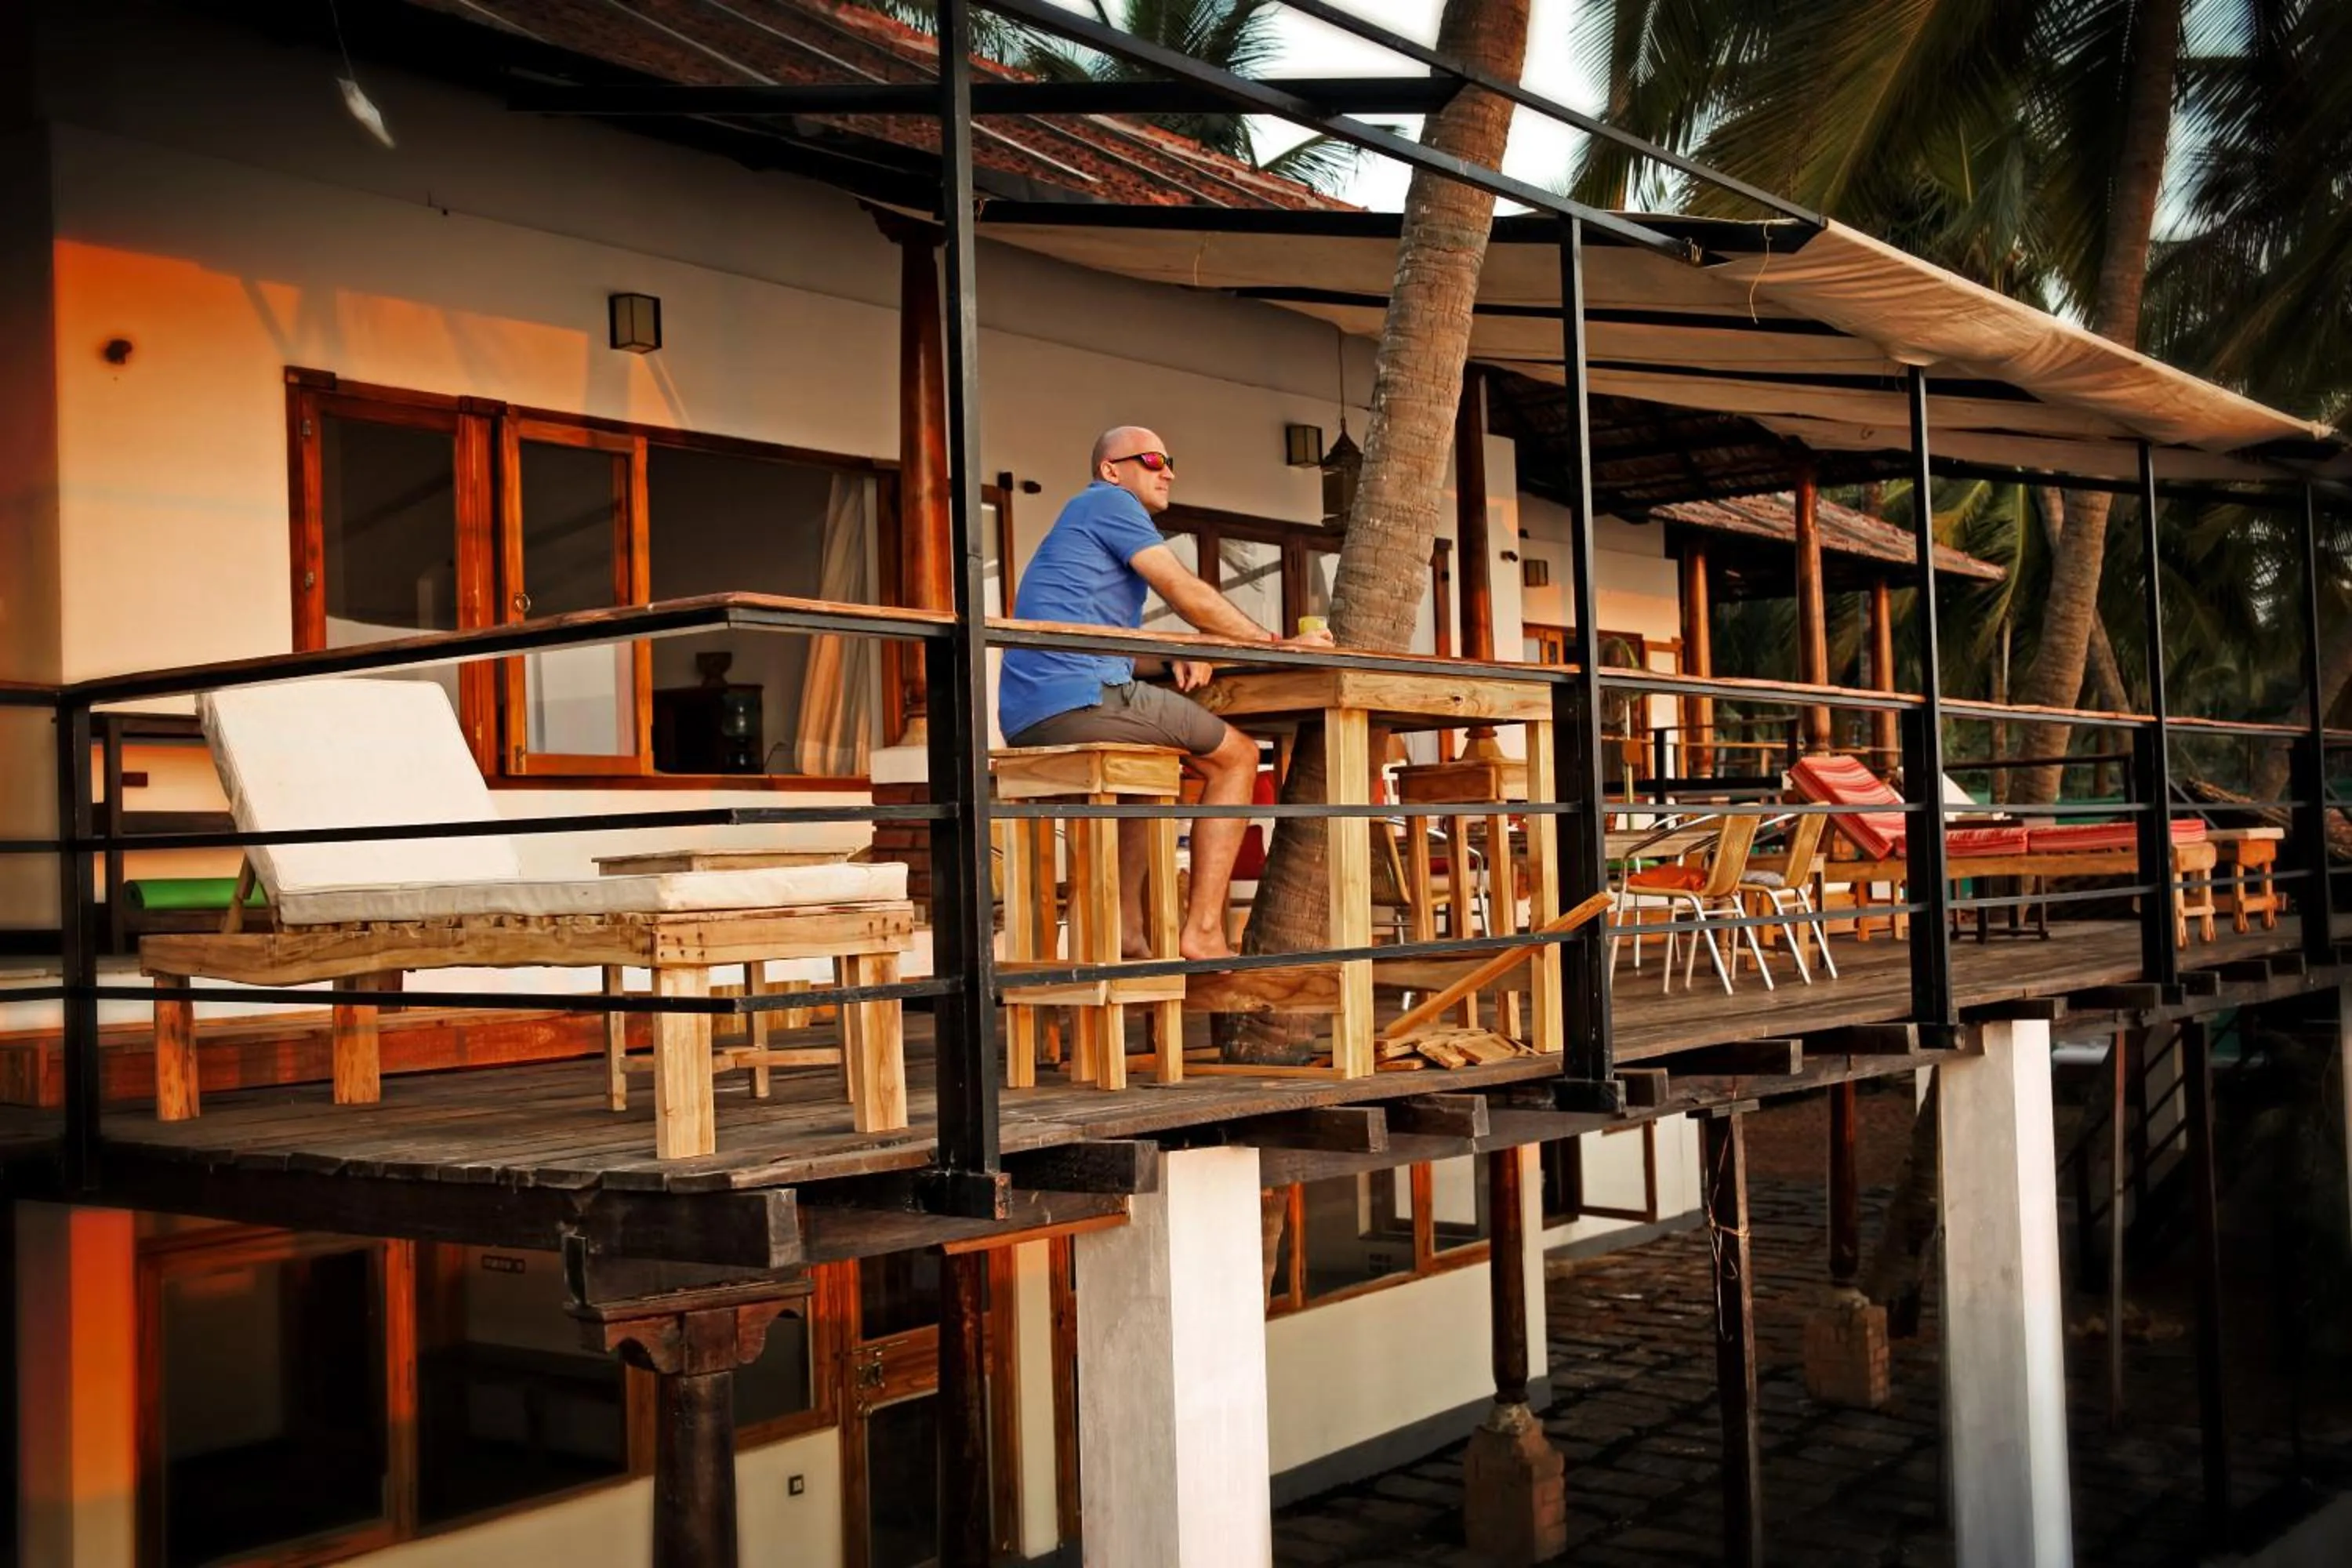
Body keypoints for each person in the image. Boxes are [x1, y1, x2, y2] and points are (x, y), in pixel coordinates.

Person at [1000, 425, 1334, 960]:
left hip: (1033, 708)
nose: (1168, 471)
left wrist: (1167, 655)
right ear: (1112, 470)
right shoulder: (1109, 503)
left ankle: (1128, 931)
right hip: (1079, 697)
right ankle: (1202, 930)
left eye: (1169, 460)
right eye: (1152, 460)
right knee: (1238, 757)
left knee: (1143, 783)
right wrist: (1279, 647)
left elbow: (1103, 642)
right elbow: (1182, 590)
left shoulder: (1082, 527)